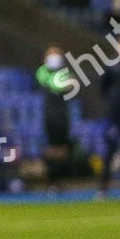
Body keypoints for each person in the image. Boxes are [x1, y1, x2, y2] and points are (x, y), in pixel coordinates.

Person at [37, 47, 73, 191]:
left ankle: (59, 180)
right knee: (52, 147)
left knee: (62, 148)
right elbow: (53, 84)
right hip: (50, 113)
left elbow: (70, 86)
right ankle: (51, 179)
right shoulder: (42, 71)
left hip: (63, 112)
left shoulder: (64, 73)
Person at [101, 55, 120, 196]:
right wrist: (113, 103)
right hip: (116, 116)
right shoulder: (114, 66)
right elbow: (103, 88)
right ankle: (103, 187)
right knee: (110, 150)